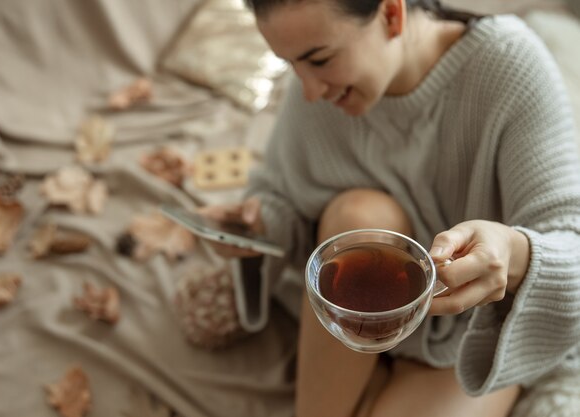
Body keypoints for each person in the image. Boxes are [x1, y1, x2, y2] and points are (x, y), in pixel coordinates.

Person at [201, 0, 580, 416]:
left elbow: (571, 240)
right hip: (354, 306)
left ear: (392, 14)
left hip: (469, 326)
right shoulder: (316, 91)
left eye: (320, 59)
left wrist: (513, 250)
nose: (309, 91)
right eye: (290, 64)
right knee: (360, 217)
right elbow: (283, 200)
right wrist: (257, 229)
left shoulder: (509, 66)